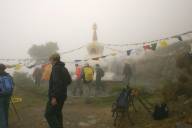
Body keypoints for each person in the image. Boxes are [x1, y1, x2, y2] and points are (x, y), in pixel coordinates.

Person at [45, 53, 72, 128]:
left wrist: (54, 97)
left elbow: (56, 83)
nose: (50, 62)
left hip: (56, 97)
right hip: (63, 95)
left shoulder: (55, 68)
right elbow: (69, 81)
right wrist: (63, 86)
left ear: (53, 60)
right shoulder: (64, 68)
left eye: (50, 60)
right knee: (57, 113)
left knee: (48, 114)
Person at [0, 64, 14, 128]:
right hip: (8, 96)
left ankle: (3, 126)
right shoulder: (9, 76)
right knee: (5, 112)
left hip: (1, 97)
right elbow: (13, 85)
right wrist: (10, 93)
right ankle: (6, 125)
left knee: (1, 114)